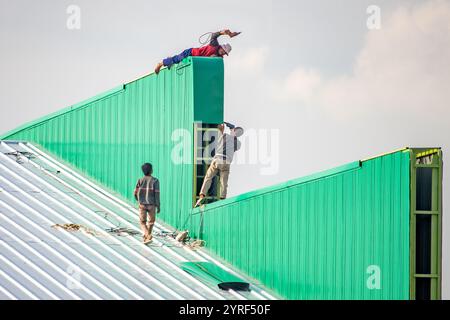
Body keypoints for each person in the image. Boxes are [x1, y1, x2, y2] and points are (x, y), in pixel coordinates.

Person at [195, 122, 244, 207]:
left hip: (217, 159)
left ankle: (202, 195)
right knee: (223, 182)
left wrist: (225, 128)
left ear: (234, 130)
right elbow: (234, 141)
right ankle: (222, 198)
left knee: (208, 177)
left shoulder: (225, 136)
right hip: (226, 162)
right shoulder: (238, 143)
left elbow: (221, 134)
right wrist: (232, 130)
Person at [154, 29, 241, 74]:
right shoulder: (215, 45)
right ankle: (161, 63)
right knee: (177, 59)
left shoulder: (219, 57)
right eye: (224, 51)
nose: (223, 53)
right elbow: (214, 35)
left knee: (177, 61)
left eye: (225, 53)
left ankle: (170, 61)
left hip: (195, 60)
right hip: (191, 53)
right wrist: (225, 33)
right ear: (221, 47)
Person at [134, 163, 160, 243]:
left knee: (142, 222)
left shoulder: (140, 180)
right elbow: (157, 194)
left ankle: (147, 236)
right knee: (151, 222)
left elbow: (135, 192)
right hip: (152, 205)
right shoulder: (155, 180)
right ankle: (148, 235)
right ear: (151, 170)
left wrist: (138, 200)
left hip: (142, 204)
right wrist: (158, 205)